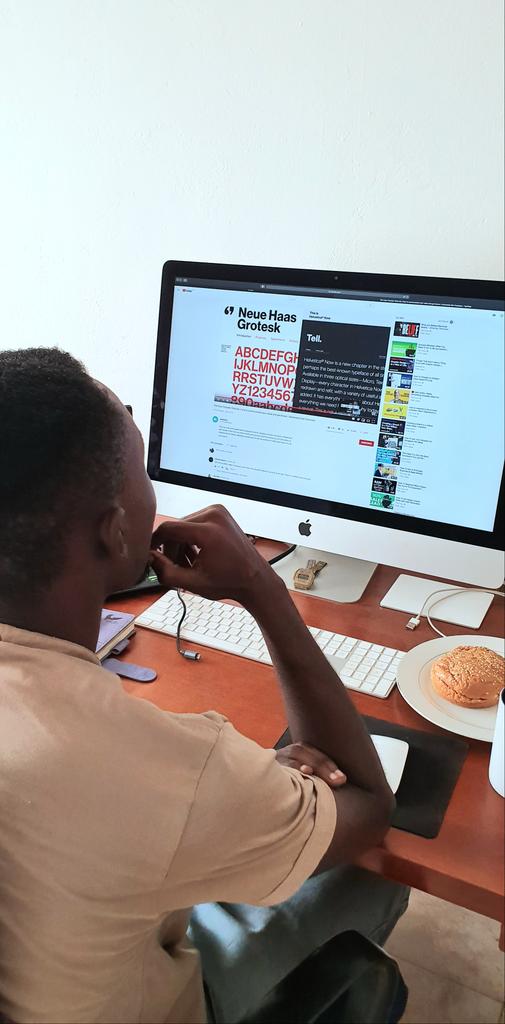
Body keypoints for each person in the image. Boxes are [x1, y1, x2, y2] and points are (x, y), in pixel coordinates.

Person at [0, 349, 408, 1024]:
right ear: (116, 531)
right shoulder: (148, 763)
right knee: (371, 877)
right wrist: (259, 585)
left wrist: (220, 793)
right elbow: (367, 806)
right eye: (142, 472)